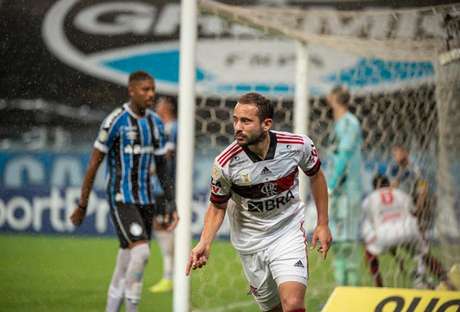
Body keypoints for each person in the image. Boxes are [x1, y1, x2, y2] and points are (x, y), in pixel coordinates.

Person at [186, 92, 332, 312]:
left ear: (266, 124)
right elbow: (217, 206)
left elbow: (316, 175)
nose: (237, 126)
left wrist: (322, 223)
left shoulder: (298, 145)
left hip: (287, 232)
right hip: (250, 243)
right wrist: (204, 242)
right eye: (235, 119)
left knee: (292, 304)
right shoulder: (225, 164)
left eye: (245, 121)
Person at [69, 71, 178, 312]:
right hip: (121, 198)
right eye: (145, 90)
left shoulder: (156, 123)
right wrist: (82, 204)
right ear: (131, 90)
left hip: (146, 200)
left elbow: (161, 167)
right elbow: (94, 163)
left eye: (153, 89)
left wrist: (172, 205)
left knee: (126, 260)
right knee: (141, 253)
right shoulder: (115, 121)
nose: (151, 94)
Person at [362, 175, 455, 289]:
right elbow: (413, 212)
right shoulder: (401, 194)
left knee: (370, 254)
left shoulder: (370, 199)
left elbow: (370, 226)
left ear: (374, 188)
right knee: (426, 256)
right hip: (408, 230)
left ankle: (379, 287)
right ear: (388, 184)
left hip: (385, 233)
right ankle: (447, 282)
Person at [325, 85, 363, 286]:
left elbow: (345, 156)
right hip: (339, 194)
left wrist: (330, 185)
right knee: (338, 243)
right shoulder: (339, 124)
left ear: (333, 98)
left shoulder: (349, 123)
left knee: (347, 244)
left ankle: (353, 295)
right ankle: (340, 292)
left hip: (347, 193)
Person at [149, 96, 178, 293]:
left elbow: (168, 156)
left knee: (167, 226)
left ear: (167, 107)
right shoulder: (162, 128)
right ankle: (169, 275)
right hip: (159, 186)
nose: (156, 107)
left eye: (159, 104)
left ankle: (171, 277)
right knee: (160, 225)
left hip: (168, 186)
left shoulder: (174, 128)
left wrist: (150, 166)